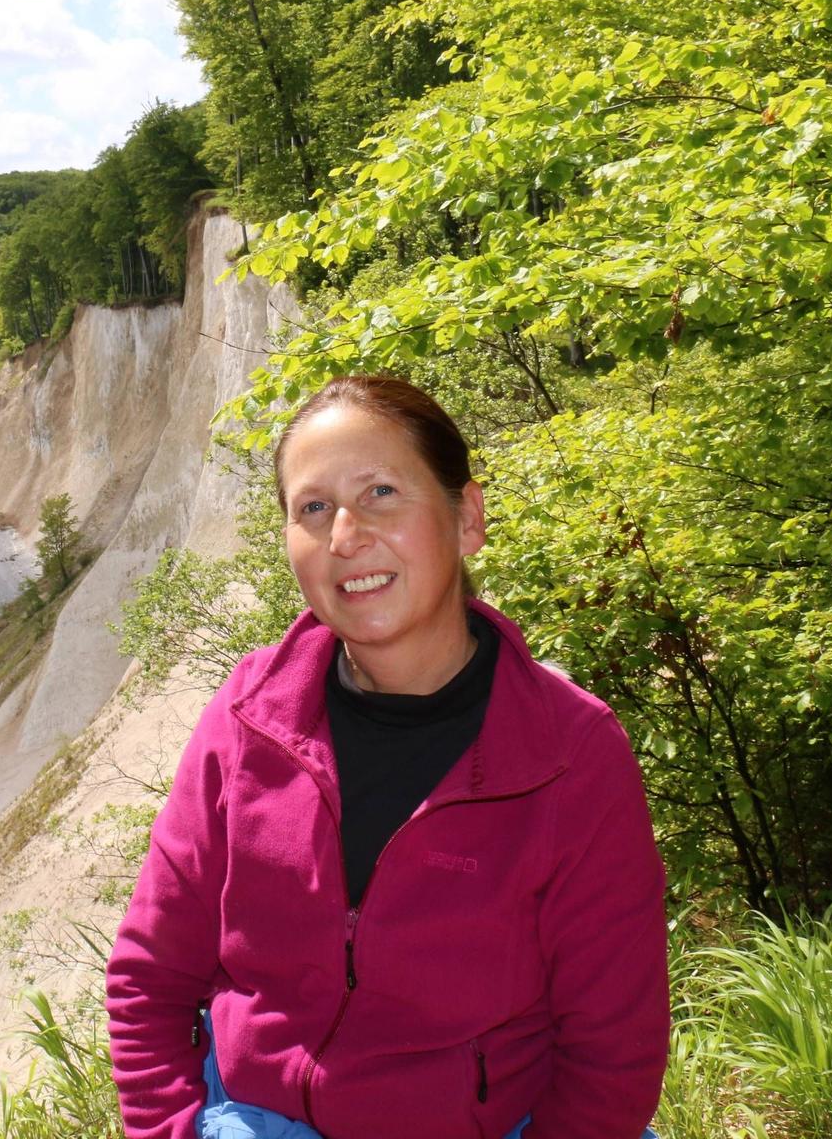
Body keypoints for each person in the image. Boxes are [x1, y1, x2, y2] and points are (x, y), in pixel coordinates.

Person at [105, 376, 669, 1139]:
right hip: (261, 1117)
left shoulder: (568, 753)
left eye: (379, 492)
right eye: (311, 508)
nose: (344, 535)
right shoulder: (247, 719)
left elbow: (611, 1052)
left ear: (466, 517)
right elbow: (150, 976)